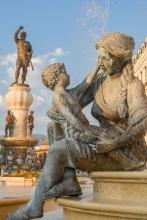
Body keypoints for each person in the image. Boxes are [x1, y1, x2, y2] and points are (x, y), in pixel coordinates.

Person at [7, 32, 147, 220]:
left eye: (105, 58)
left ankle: (34, 206)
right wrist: (57, 105)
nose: (101, 63)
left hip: (123, 151)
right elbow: (71, 100)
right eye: (100, 58)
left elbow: (142, 123)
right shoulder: (100, 82)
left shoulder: (133, 85)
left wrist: (115, 144)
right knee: (52, 126)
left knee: (58, 150)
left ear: (119, 57)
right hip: (102, 143)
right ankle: (69, 181)